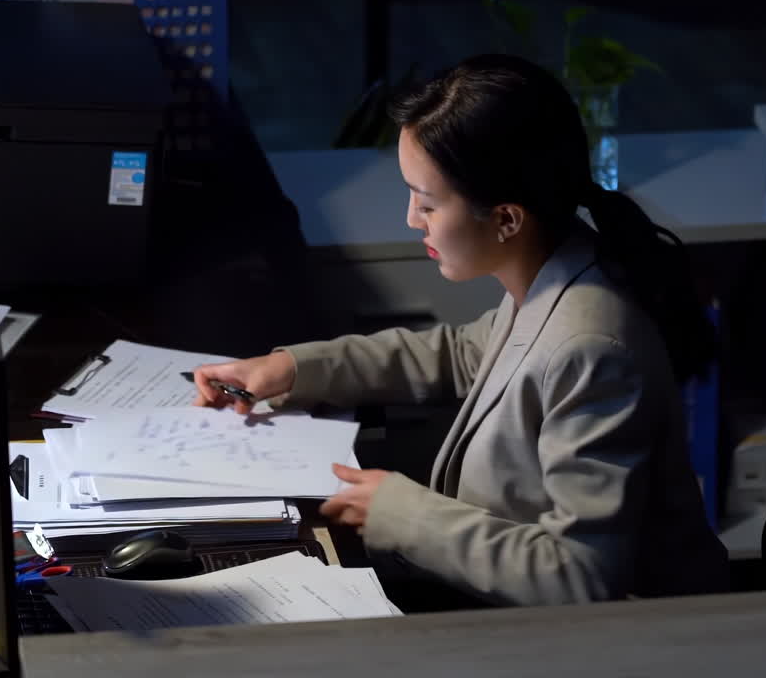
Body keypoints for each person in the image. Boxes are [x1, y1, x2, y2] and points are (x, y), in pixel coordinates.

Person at [193, 54, 728, 607]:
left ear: (506, 218)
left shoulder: (590, 346)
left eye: (426, 202)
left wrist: (400, 511)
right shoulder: (554, 270)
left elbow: (580, 576)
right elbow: (457, 353)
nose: (410, 218)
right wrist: (292, 369)